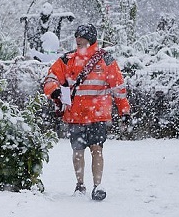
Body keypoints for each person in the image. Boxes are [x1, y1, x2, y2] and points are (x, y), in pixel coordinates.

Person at [43, 24, 131, 200]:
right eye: (77, 40)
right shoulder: (67, 60)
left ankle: (98, 186)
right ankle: (80, 185)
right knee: (78, 151)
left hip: (97, 116)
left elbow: (118, 88)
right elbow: (51, 77)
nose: (78, 43)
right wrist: (54, 89)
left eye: (82, 40)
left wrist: (124, 110)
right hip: (76, 115)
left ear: (91, 40)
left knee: (96, 149)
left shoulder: (106, 60)